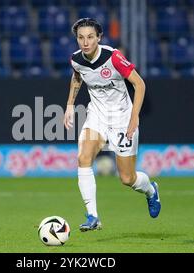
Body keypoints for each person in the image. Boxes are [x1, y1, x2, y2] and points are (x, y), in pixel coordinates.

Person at [63, 18, 161, 232]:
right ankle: (92, 216)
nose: (85, 42)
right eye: (81, 37)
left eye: (90, 37)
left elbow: (139, 84)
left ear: (99, 37)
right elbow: (77, 77)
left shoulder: (113, 57)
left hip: (122, 118)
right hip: (97, 116)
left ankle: (151, 191)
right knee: (83, 157)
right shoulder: (76, 59)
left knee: (127, 178)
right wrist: (70, 104)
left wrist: (134, 117)